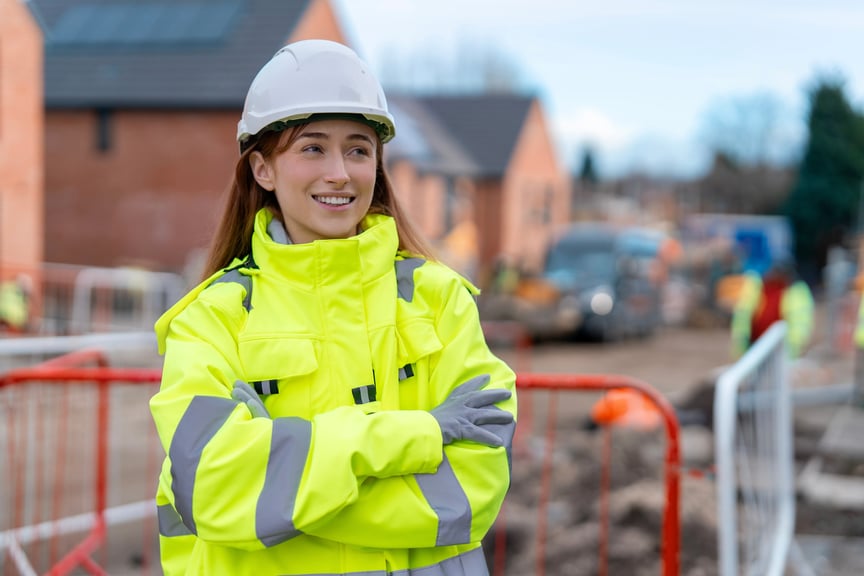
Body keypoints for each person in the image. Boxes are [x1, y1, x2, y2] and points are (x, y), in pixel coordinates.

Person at [149, 39, 516, 576]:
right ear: (262, 169)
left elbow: (469, 491)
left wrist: (285, 502)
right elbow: (214, 485)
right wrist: (415, 436)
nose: (340, 172)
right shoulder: (213, 319)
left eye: (359, 149)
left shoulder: (442, 301)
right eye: (313, 148)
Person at [730, 256, 814, 360]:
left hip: (779, 346)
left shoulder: (795, 292)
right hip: (755, 342)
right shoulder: (757, 287)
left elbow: (799, 323)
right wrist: (742, 342)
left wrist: (791, 349)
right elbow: (744, 316)